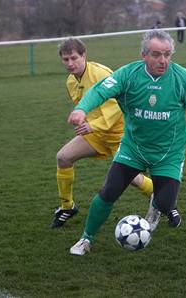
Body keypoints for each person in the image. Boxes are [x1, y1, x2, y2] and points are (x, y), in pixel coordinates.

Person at [67, 30, 186, 256]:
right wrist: (81, 109)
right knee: (108, 192)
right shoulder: (128, 75)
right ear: (144, 55)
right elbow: (100, 90)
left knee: (166, 203)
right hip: (133, 149)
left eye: (167, 54)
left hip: (168, 153)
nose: (163, 60)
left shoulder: (183, 78)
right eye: (157, 55)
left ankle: (156, 209)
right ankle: (85, 239)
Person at [52, 38, 154, 228]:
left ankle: (162, 199)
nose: (70, 63)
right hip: (97, 134)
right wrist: (85, 121)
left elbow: (117, 106)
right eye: (65, 60)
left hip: (120, 134)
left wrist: (93, 125)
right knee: (63, 157)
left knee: (131, 178)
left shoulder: (100, 74)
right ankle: (67, 207)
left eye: (74, 58)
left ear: (84, 55)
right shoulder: (71, 82)